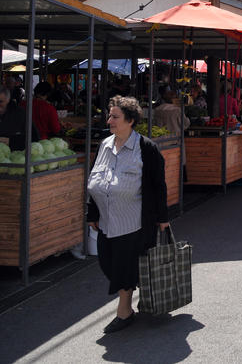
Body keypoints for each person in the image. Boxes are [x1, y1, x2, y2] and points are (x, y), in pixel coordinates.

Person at [87, 96, 169, 334]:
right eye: (109, 115)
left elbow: (158, 185)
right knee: (107, 263)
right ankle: (139, 291)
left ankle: (124, 312)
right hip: (106, 221)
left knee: (123, 267)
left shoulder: (146, 148)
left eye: (115, 117)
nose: (109, 120)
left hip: (133, 221)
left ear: (130, 121)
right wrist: (91, 212)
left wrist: (162, 218)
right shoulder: (105, 145)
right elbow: (95, 179)